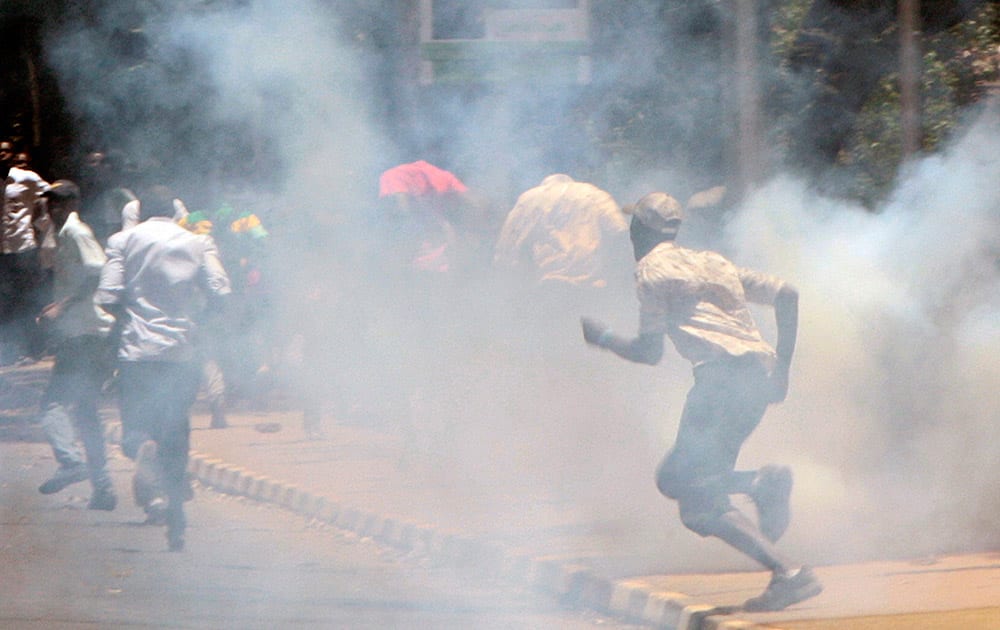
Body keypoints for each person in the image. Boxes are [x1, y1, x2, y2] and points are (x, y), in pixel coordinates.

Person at [580, 192, 822, 612]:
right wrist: (781, 369)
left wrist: (601, 338)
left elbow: (648, 351)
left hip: (718, 385)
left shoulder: (650, 271)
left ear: (638, 230)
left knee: (693, 500)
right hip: (755, 382)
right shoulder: (714, 262)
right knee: (680, 484)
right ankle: (758, 493)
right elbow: (788, 294)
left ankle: (787, 566)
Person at [96, 184, 231, 551]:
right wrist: (198, 316)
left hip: (137, 352)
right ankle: (174, 508)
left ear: (139, 211)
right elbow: (220, 289)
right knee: (177, 428)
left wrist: (129, 312)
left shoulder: (122, 241)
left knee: (136, 429)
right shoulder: (197, 243)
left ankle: (144, 447)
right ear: (175, 211)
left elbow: (107, 295)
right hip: (181, 352)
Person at [34, 180, 117, 510]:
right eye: (48, 204)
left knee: (52, 405)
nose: (50, 210)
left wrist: (63, 306)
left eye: (55, 204)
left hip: (85, 335)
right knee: (86, 412)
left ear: (70, 205)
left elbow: (98, 272)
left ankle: (71, 462)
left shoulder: (76, 232)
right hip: (84, 335)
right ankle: (103, 488)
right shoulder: (62, 234)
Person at [493, 173, 631, 314]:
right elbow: (620, 230)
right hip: (592, 285)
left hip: (547, 286)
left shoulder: (528, 199)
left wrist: (510, 286)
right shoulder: (594, 194)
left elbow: (506, 247)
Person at [0, 140, 50, 364]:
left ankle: (35, 348)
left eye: (6, 150)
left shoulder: (24, 178)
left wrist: (39, 220)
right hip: (2, 251)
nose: (2, 154)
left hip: (23, 248)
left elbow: (50, 192)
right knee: (6, 301)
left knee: (27, 299)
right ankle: (11, 350)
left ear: (12, 155)